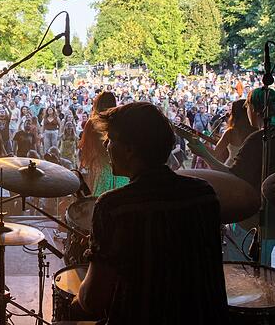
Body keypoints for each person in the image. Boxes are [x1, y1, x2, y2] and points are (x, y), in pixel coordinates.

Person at [74, 102, 228, 324]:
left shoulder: (114, 207)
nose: (107, 146)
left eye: (111, 140)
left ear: (130, 149)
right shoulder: (204, 194)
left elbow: (92, 301)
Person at [182, 88, 275, 265]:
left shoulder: (258, 139)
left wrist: (203, 153)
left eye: (248, 107)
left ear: (255, 109)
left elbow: (231, 177)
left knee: (240, 267)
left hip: (254, 221)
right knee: (262, 264)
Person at [78, 92, 129, 196]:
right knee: (121, 195)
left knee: (102, 196)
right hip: (120, 164)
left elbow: (86, 148)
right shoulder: (121, 120)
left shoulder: (92, 123)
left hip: (101, 166)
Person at [211, 99, 257, 166]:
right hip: (251, 168)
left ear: (234, 113)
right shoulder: (257, 130)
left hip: (231, 168)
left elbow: (215, 153)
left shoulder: (230, 132)